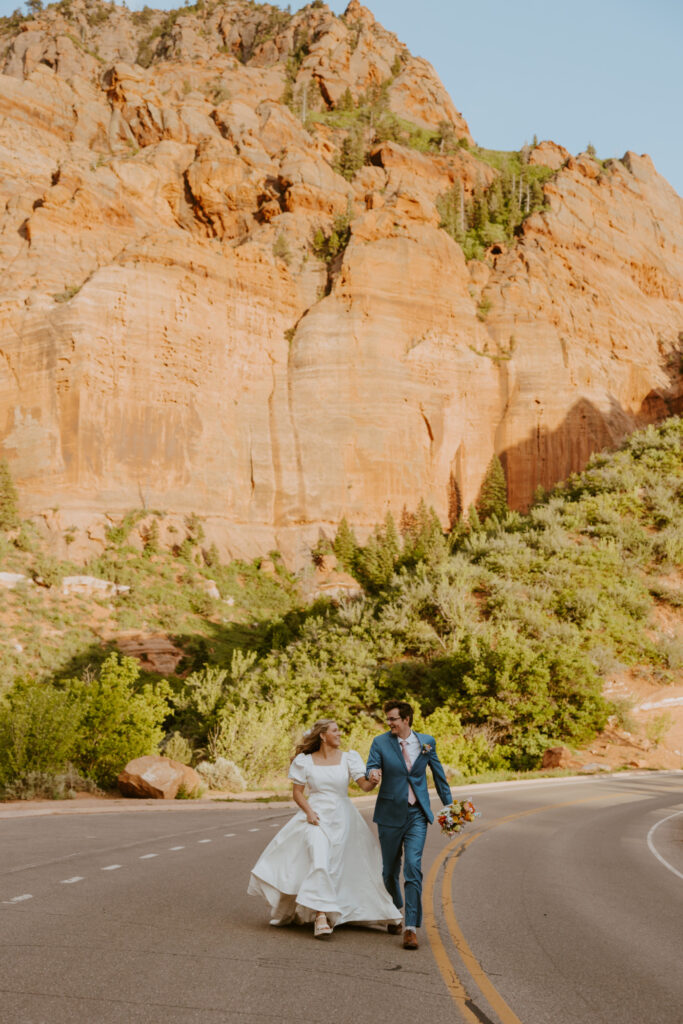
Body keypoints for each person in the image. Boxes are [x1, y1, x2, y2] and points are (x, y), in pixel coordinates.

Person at [248, 718, 402, 939]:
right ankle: (321, 916)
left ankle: (381, 913)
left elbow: (364, 785)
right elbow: (298, 793)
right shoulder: (305, 761)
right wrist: (309, 812)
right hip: (316, 818)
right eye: (335, 731)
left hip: (345, 819)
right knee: (319, 860)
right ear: (322, 735)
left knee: (348, 867)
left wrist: (375, 779)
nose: (339, 734)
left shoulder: (349, 758)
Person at [366, 699, 453, 951]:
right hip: (390, 814)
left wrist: (449, 809)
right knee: (389, 870)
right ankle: (395, 910)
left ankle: (411, 927)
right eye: (388, 719)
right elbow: (372, 764)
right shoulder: (380, 742)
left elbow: (439, 777)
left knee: (413, 867)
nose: (389, 723)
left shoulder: (427, 742)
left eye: (393, 718)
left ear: (406, 719)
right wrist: (373, 773)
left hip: (417, 815)